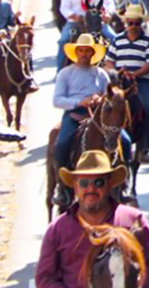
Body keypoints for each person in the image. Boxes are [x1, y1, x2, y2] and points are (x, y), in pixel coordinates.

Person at [36, 150, 149, 288]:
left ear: (110, 184)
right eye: (84, 183)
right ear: (76, 186)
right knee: (62, 144)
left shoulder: (134, 220)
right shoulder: (57, 229)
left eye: (99, 182)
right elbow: (45, 279)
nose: (91, 188)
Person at [52, 34, 130, 198]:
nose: (84, 54)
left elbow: (110, 96)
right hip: (75, 115)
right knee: (62, 142)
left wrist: (99, 99)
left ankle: (124, 183)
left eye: (88, 51)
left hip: (100, 116)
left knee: (125, 141)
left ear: (93, 53)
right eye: (81, 50)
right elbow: (57, 100)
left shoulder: (101, 74)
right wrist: (80, 102)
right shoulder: (66, 74)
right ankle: (62, 186)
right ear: (76, 52)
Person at [104, 5, 149, 162]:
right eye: (130, 23)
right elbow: (109, 61)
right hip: (119, 81)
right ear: (125, 23)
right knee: (105, 107)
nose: (133, 27)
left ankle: (145, 147)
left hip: (140, 81)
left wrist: (135, 74)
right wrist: (115, 72)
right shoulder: (117, 39)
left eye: (137, 23)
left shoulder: (148, 41)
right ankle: (104, 141)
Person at [57, 0, 119, 69]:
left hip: (97, 23)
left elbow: (110, 2)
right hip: (76, 23)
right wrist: (74, 16)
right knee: (63, 41)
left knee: (115, 39)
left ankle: (118, 71)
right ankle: (60, 72)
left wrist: (108, 13)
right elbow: (64, 8)